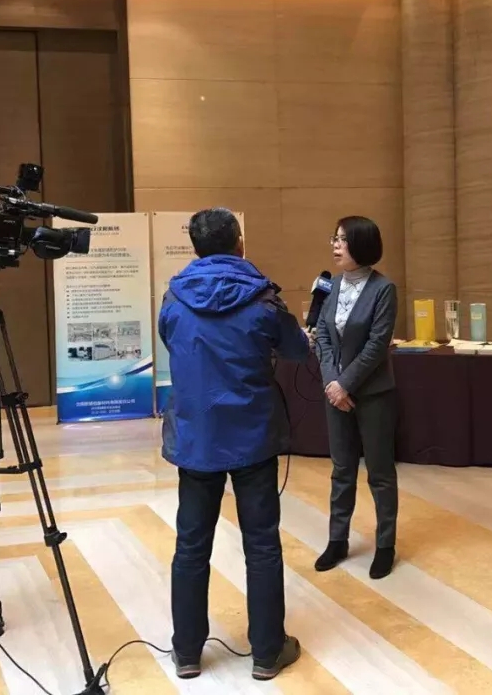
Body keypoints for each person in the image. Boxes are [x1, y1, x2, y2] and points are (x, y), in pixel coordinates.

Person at [159, 207, 310, 681]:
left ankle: (187, 652)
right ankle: (267, 652)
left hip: (197, 436)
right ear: (239, 243)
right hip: (252, 436)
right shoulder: (264, 299)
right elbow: (297, 350)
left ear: (195, 247)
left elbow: (171, 341)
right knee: (261, 544)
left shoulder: (174, 298)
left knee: (191, 545)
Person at [313, 216, 399, 580]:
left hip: (373, 394)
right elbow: (322, 336)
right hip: (336, 395)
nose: (335, 245)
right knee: (342, 470)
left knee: (379, 472)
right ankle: (337, 540)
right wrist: (332, 385)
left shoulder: (384, 289)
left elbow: (377, 345)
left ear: (361, 245)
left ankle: (385, 545)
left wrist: (345, 384)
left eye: (343, 240)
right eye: (334, 238)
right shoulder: (330, 285)